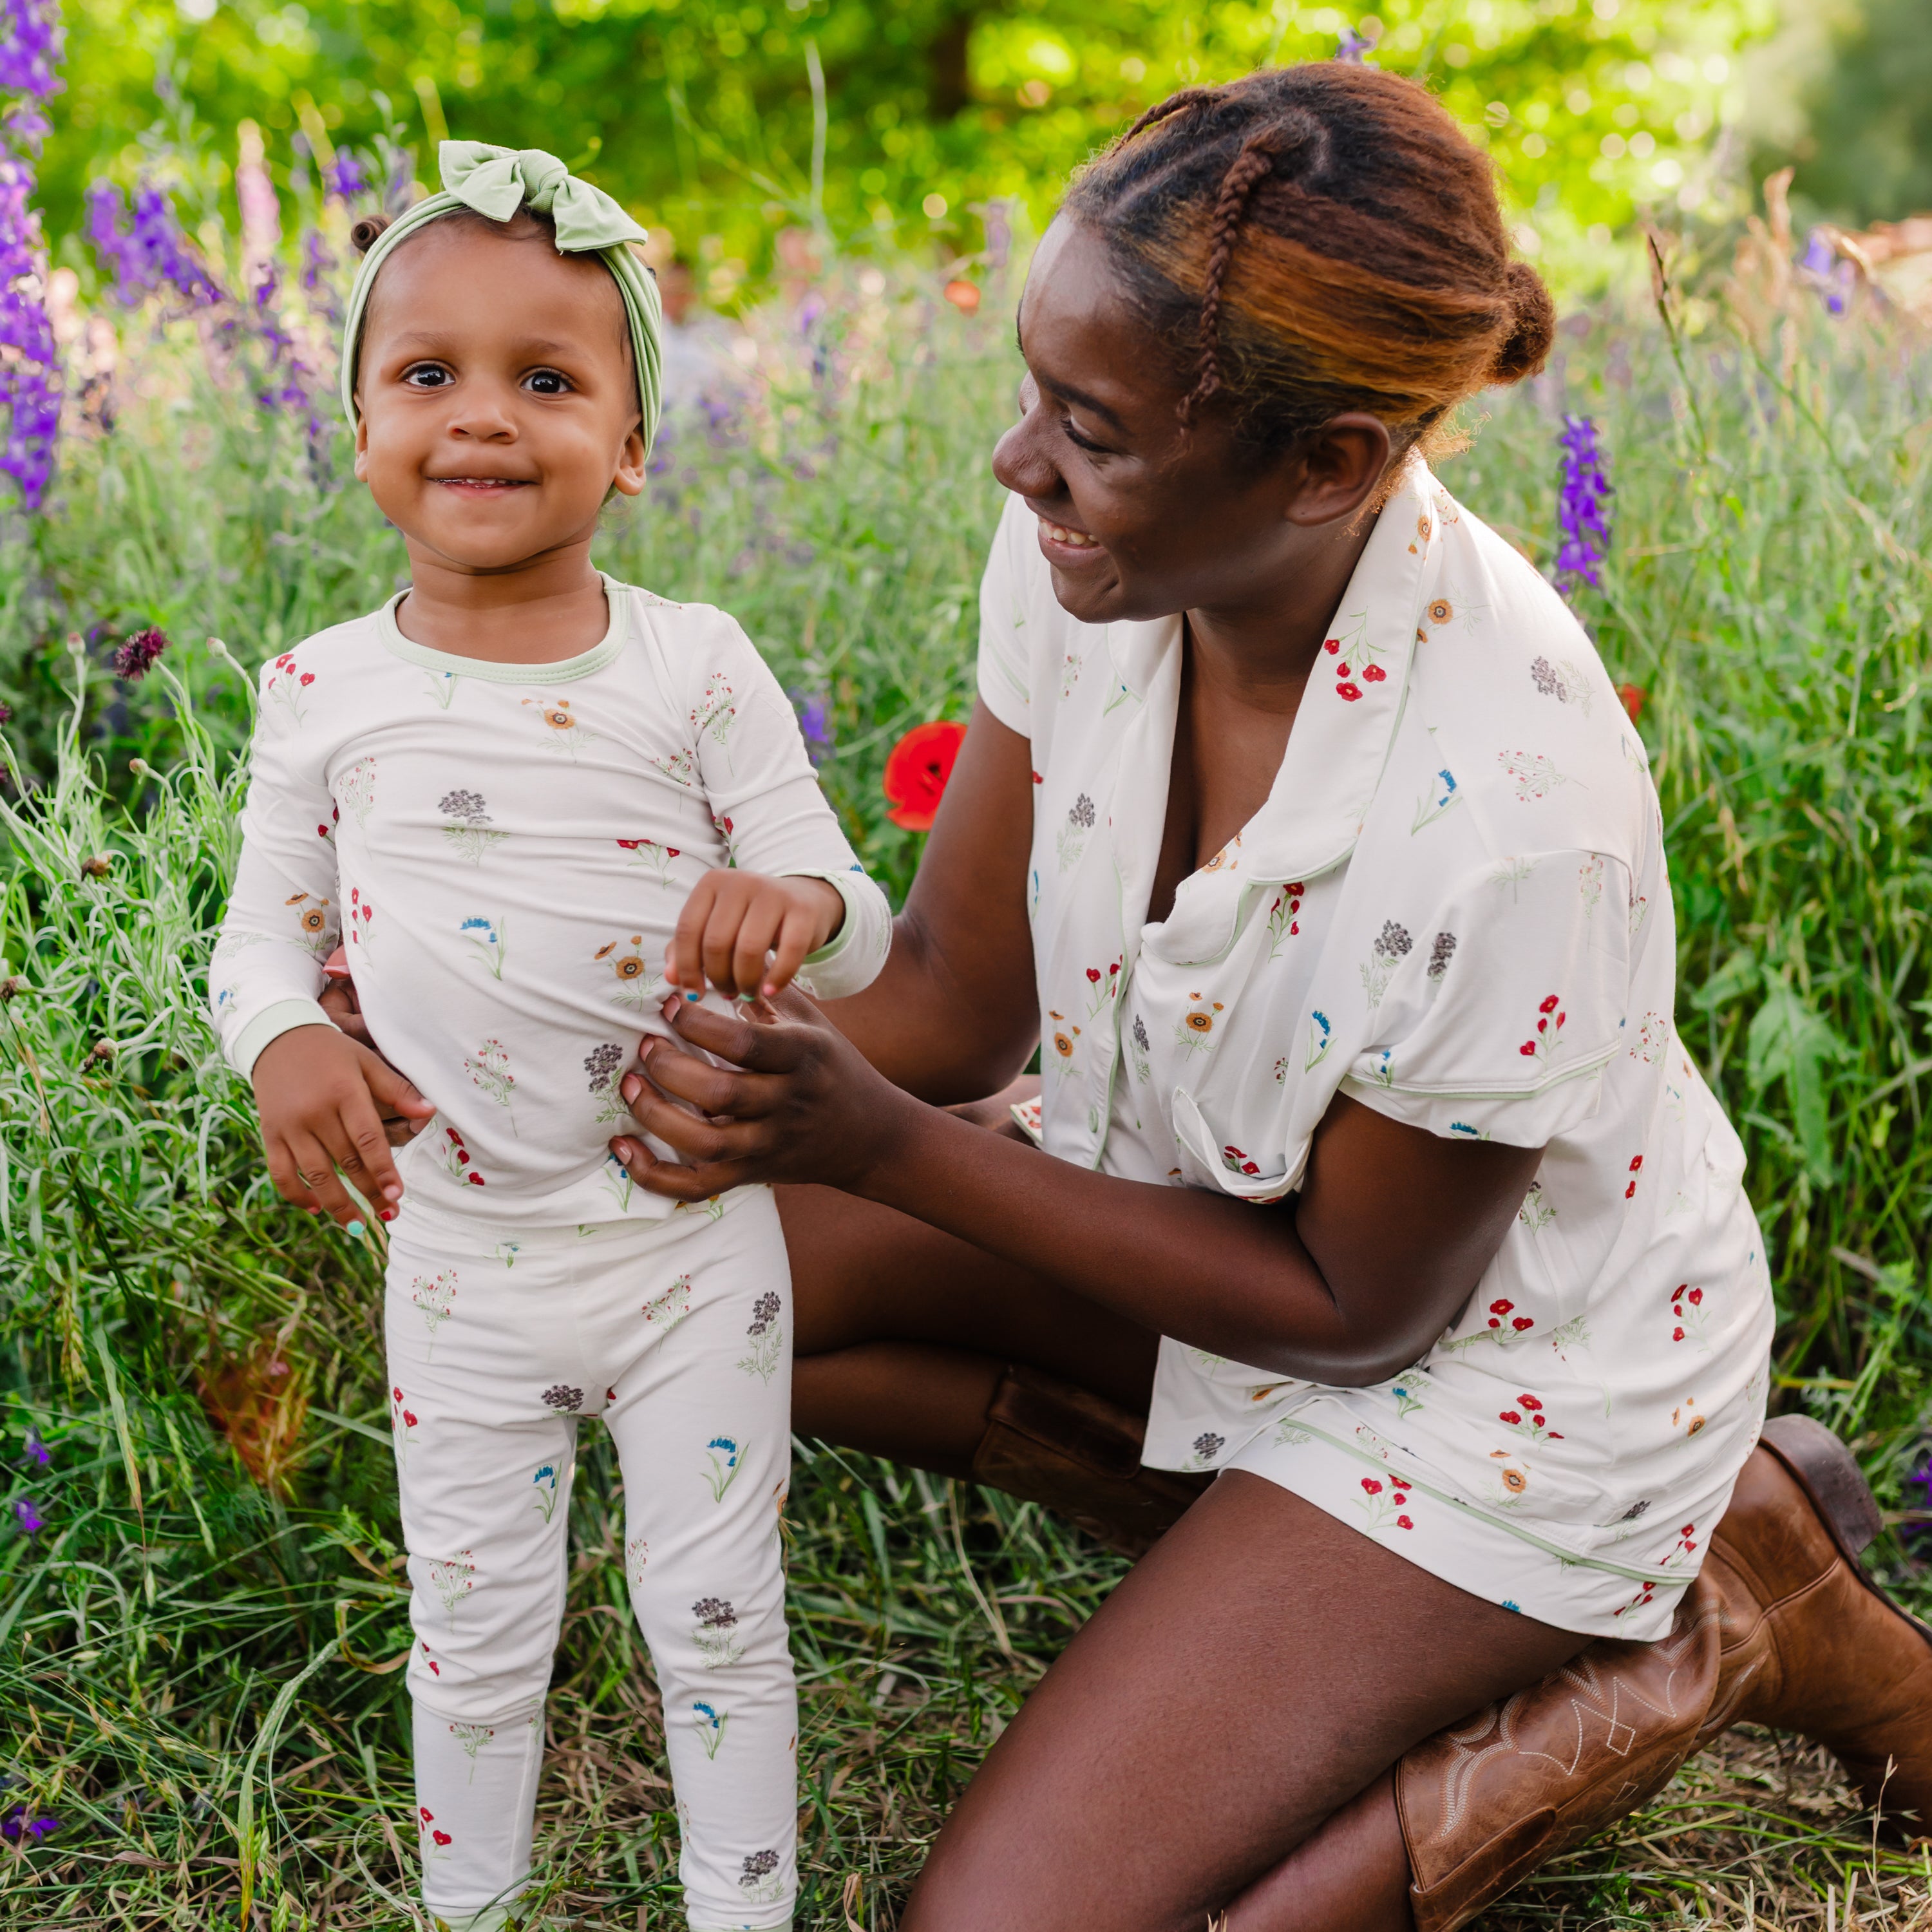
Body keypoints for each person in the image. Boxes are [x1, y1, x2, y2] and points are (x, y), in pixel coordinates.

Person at [591, 64, 1932, 1931]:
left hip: (1507, 1379)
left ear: (1329, 462)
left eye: (1091, 429)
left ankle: (1720, 1606)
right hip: (1207, 1237)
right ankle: (1298, 1589)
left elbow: (1353, 1307)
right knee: (644, 1286)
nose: (1018, 464)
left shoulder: (1513, 816)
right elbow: (966, 995)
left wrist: (881, 1147)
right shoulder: (1092, 553)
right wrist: (608, 1061)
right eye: (1037, 398)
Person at [210, 142, 891, 1932]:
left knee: (721, 1610)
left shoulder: (691, 664)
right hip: (459, 1255)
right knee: (478, 1618)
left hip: (687, 1249)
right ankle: (471, 1905)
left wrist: (799, 909)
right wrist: (284, 1039)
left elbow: (845, 887)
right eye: (428, 376)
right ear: (359, 428)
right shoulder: (319, 693)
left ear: (635, 443)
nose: (484, 420)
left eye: (550, 379)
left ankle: (742, 1908)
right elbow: (256, 942)